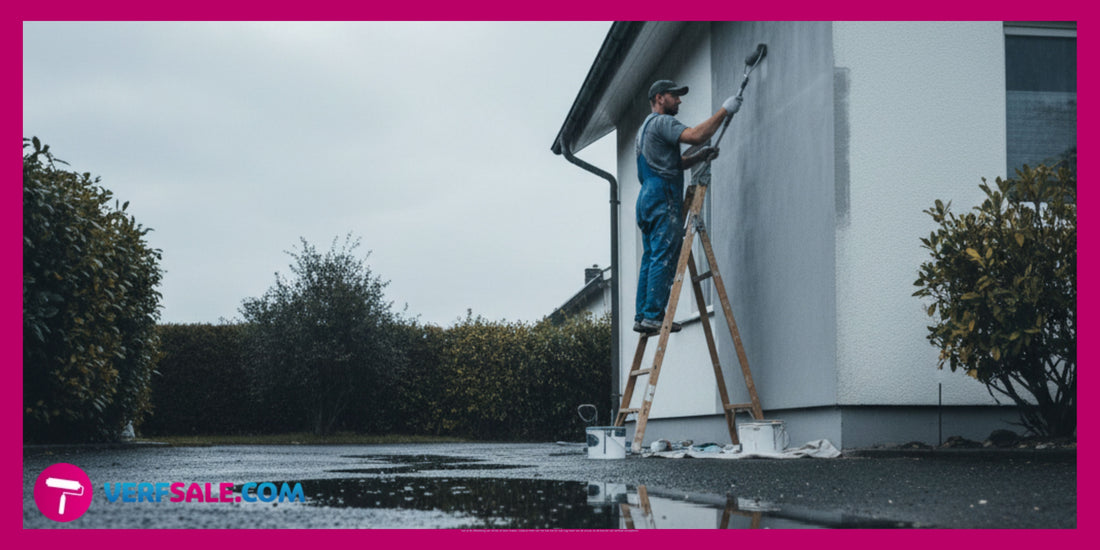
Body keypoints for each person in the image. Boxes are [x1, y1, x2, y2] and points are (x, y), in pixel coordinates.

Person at [634, 79, 742, 334]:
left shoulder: (644, 129)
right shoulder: (663, 122)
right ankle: (653, 317)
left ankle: (643, 316)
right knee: (663, 256)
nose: (680, 100)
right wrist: (725, 110)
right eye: (675, 96)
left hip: (648, 197)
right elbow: (696, 135)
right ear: (660, 98)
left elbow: (673, 163)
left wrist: (699, 157)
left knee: (650, 257)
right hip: (663, 196)